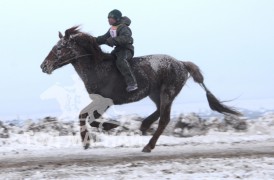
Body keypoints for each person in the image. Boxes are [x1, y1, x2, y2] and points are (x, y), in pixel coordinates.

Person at [96, 9, 138, 92]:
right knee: (108, 60)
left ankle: (132, 83)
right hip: (117, 50)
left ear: (117, 18)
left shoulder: (124, 27)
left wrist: (113, 40)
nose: (108, 20)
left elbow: (126, 38)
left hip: (126, 49)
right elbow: (104, 38)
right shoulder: (112, 28)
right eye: (108, 18)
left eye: (110, 18)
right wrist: (91, 40)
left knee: (121, 61)